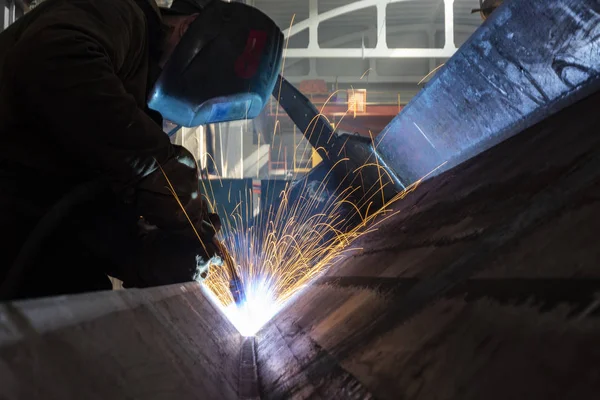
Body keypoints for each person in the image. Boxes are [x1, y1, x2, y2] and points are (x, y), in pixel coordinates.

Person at [0, 0, 283, 299]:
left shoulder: (135, 100)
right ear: (187, 28)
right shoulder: (121, 13)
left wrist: (148, 256)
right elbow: (52, 57)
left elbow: (83, 218)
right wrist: (153, 163)